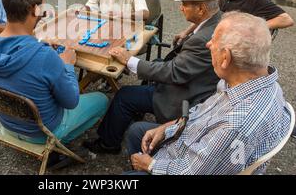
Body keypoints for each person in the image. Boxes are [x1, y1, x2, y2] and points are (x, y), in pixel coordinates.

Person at [125, 12, 292, 175]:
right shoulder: (260, 82)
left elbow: (191, 171)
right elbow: (202, 113)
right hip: (192, 140)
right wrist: (166, 128)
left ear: (225, 58)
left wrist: (150, 165)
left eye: (214, 41)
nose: (208, 44)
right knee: (136, 131)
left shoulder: (234, 125)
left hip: (184, 162)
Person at [82, 0, 222, 154]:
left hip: (185, 96)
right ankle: (133, 114)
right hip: (197, 84)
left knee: (124, 95)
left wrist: (129, 60)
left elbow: (173, 73)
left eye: (185, 4)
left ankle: (108, 143)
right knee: (154, 65)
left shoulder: (202, 39)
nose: (181, 8)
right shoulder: (218, 20)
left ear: (202, 9)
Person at [0, 0, 108, 151]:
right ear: (35, 9)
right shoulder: (45, 57)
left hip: (7, 124)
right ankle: (59, 146)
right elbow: (71, 101)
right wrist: (66, 64)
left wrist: (36, 44)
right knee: (103, 99)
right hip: (43, 132)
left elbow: (14, 65)